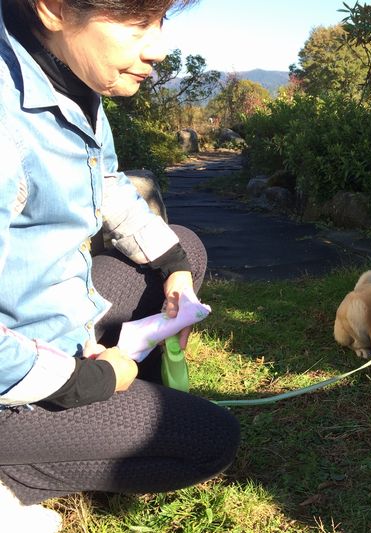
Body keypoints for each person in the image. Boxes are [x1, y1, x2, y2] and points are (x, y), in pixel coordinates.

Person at [0, 1, 240, 531]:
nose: (157, 48)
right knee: (208, 443)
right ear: (54, 9)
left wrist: (172, 263)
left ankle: (116, 416)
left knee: (184, 247)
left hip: (54, 321)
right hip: (11, 382)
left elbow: (106, 182)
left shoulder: (68, 73)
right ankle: (12, 479)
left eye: (161, 22)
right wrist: (85, 383)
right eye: (136, 23)